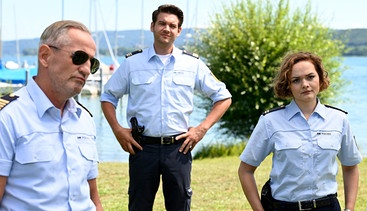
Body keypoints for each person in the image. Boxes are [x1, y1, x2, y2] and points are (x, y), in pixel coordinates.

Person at [100, 4, 232, 211]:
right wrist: (117, 129)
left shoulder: (192, 64)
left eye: (172, 25)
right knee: (138, 207)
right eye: (162, 23)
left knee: (179, 206)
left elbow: (223, 97)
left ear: (179, 31)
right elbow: (108, 96)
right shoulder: (132, 63)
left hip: (178, 148)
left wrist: (201, 129)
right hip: (141, 147)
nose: (166, 29)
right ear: (152, 26)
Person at [238, 52, 362, 211]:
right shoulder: (270, 121)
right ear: (287, 85)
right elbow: (245, 170)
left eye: (310, 77)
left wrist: (349, 209)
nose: (305, 84)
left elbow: (350, 166)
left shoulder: (339, 119)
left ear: (320, 79)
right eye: (296, 80)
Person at [0, 20, 103, 210]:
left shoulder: (84, 119)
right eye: (79, 57)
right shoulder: (7, 118)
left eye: (92, 62)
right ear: (45, 56)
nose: (87, 69)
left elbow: (92, 196)